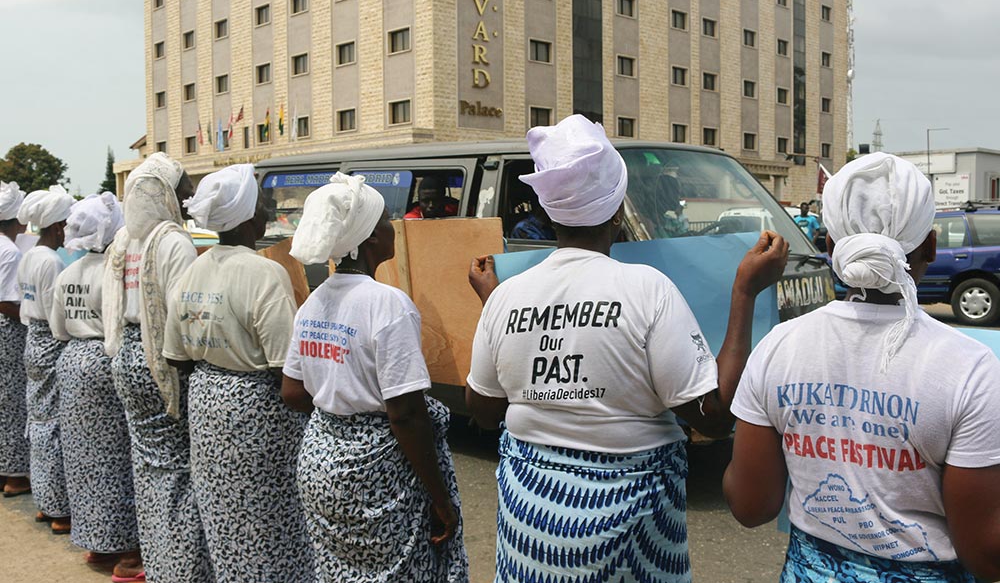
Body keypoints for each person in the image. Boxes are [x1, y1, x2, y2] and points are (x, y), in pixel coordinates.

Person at [465, 115, 788, 583]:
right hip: (631, 544)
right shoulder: (647, 290)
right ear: (617, 211)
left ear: (549, 213)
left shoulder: (505, 299)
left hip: (529, 538)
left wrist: (493, 306)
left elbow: (485, 409)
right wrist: (745, 292)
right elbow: (714, 416)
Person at [724, 153, 1000, 583]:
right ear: (930, 246)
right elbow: (986, 554)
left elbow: (750, 505)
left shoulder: (780, 347)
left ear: (832, 247)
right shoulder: (970, 368)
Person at [281, 173, 469, 582]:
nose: (393, 227)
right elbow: (405, 415)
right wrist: (441, 501)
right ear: (370, 239)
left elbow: (293, 390)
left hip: (319, 465)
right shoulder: (387, 305)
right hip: (373, 476)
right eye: (386, 220)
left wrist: (337, 395)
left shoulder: (314, 302)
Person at [163, 165, 314, 582]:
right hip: (255, 410)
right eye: (262, 203)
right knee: (269, 520)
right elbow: (287, 364)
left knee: (224, 517)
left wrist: (215, 351)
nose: (267, 210)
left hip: (207, 402)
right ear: (250, 218)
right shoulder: (265, 272)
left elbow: (175, 357)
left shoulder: (191, 271)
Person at [102, 153, 214, 583]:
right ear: (162, 193)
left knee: (149, 466)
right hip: (159, 363)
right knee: (178, 471)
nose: (188, 199)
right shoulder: (171, 242)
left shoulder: (124, 240)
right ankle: (182, 569)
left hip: (127, 357)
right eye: (183, 190)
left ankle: (159, 560)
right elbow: (182, 315)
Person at [49, 193, 142, 577]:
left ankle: (97, 545)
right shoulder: (114, 271)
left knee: (84, 459)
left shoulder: (67, 273)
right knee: (117, 457)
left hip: (71, 363)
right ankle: (127, 554)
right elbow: (118, 324)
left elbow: (57, 328)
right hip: (104, 363)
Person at [16, 184, 75, 534]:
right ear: (56, 228)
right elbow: (57, 316)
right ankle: (57, 508)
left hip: (31, 341)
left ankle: (43, 500)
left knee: (38, 422)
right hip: (49, 342)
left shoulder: (29, 257)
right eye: (66, 225)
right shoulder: (52, 262)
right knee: (52, 425)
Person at [0, 182, 30, 498]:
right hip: (7, 331)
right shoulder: (10, 251)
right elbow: (5, 301)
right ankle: (16, 476)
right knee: (12, 404)